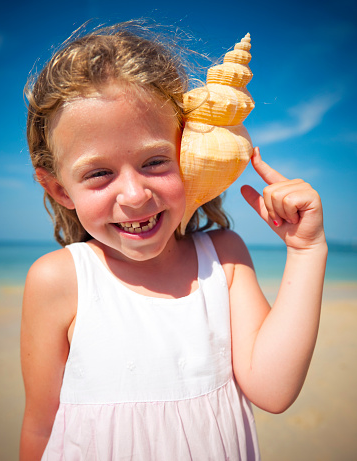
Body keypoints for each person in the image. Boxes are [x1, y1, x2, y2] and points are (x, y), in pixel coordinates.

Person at [19, 20, 328, 461]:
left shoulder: (224, 257)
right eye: (99, 173)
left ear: (187, 155)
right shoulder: (58, 280)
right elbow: (39, 427)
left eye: (155, 161)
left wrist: (306, 251)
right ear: (60, 189)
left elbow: (274, 390)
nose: (134, 195)